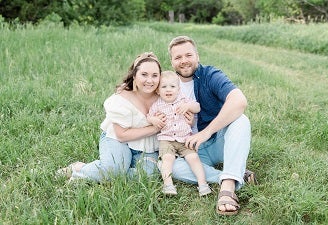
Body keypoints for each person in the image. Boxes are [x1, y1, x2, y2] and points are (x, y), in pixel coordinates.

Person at [167, 36, 253, 215]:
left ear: (197, 56)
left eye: (188, 55)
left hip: (217, 141)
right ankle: (233, 174)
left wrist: (205, 133)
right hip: (191, 151)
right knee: (172, 168)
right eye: (178, 57)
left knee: (241, 120)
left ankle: (228, 188)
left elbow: (239, 100)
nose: (184, 61)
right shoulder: (166, 84)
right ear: (171, 61)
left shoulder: (210, 75)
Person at [57, 52, 163, 182]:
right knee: (114, 169)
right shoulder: (122, 98)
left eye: (154, 75)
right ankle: (79, 170)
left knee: (148, 175)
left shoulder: (164, 96)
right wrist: (154, 129)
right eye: (144, 75)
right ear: (134, 76)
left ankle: (106, 172)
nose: (149, 80)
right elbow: (121, 135)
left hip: (146, 146)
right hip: (118, 141)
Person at [147, 71, 212, 196]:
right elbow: (149, 116)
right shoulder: (157, 104)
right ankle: (168, 185)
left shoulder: (183, 100)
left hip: (185, 138)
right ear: (158, 91)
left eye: (172, 86)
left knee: (193, 158)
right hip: (167, 139)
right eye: (164, 86)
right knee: (167, 159)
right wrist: (153, 119)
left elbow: (197, 107)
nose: (168, 90)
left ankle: (202, 184)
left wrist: (188, 106)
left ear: (178, 89)